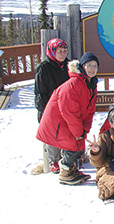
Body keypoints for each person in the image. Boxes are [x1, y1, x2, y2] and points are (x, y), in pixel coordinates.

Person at [36, 52, 99, 185]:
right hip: (59, 121)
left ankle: (72, 170)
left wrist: (85, 129)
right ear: (82, 66)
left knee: (78, 144)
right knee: (72, 145)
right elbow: (69, 111)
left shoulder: (90, 84)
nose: (92, 69)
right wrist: (78, 132)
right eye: (89, 65)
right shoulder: (73, 84)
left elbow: (90, 110)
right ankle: (65, 172)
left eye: (95, 66)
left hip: (70, 122)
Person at [34, 38, 69, 174]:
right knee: (53, 134)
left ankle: (67, 159)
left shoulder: (68, 65)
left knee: (66, 132)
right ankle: (54, 160)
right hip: (49, 106)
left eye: (64, 51)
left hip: (65, 105)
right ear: (52, 51)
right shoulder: (43, 68)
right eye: (59, 51)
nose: (62, 54)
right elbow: (40, 92)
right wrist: (45, 111)